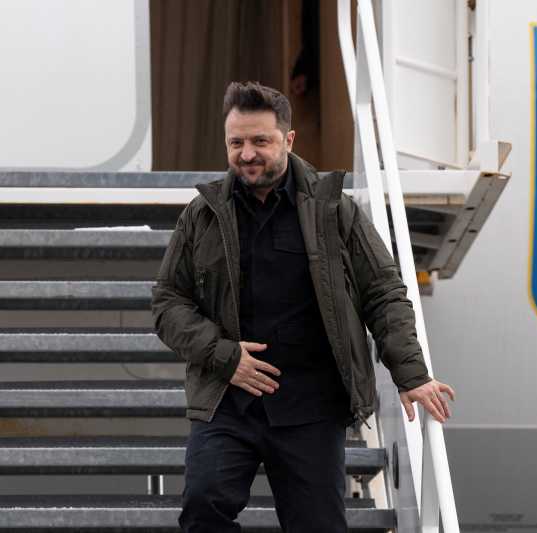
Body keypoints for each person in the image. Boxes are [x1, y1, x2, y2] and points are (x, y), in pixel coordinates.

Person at [151, 81, 455, 533]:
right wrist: (225, 356)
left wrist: (410, 374)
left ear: (288, 140)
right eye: (236, 143)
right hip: (227, 397)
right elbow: (168, 302)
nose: (247, 154)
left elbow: (383, 291)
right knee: (203, 507)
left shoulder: (335, 210)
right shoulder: (203, 214)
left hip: (311, 404)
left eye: (260, 141)